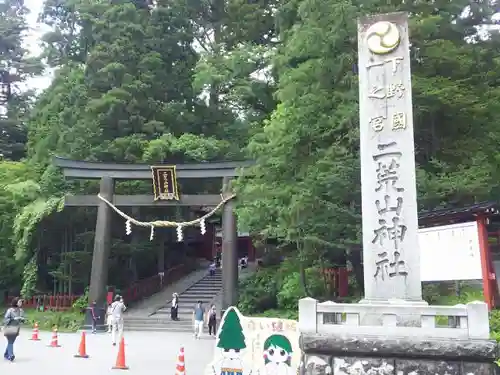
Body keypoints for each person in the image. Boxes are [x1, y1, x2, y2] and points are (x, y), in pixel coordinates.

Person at [3, 297, 25, 362]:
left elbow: (22, 319)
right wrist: (13, 319)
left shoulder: (21, 310)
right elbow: (5, 320)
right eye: (19, 302)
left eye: (21, 302)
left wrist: (22, 319)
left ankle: (6, 354)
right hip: (9, 328)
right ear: (16, 302)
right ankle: (11, 355)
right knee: (10, 341)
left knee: (11, 342)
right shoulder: (10, 310)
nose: (21, 303)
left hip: (16, 328)